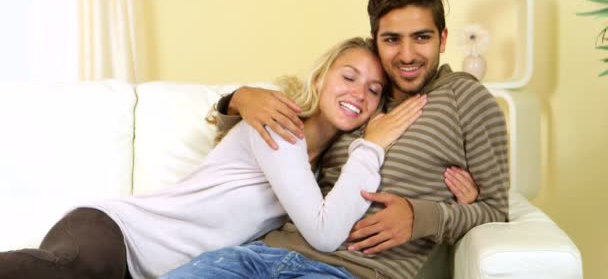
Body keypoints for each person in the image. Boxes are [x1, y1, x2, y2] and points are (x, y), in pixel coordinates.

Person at [0, 37, 465, 279]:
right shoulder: (278, 123)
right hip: (117, 234)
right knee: (70, 275)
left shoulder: (324, 169)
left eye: (373, 89)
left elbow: (351, 210)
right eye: (348, 76)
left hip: (150, 272)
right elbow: (325, 233)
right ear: (321, 79)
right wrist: (372, 145)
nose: (358, 93)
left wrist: (461, 200)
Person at [162, 0, 509, 279]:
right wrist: (236, 99)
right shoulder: (355, 102)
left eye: (421, 37)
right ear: (376, 40)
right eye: (391, 40)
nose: (406, 55)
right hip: (258, 255)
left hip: (351, 271)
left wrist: (424, 216)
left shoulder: (466, 97)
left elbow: (495, 210)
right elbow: (284, 142)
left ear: (443, 39)